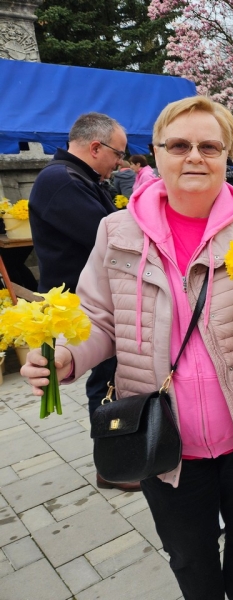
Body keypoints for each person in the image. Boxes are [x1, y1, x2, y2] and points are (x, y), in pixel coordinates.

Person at [21, 96, 233, 600]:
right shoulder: (117, 232)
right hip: (165, 444)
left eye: (209, 146)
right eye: (179, 145)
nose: (194, 157)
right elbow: (99, 319)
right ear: (155, 152)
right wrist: (67, 356)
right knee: (190, 560)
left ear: (226, 155)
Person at [28, 112, 128, 487]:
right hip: (80, 304)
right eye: (118, 153)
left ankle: (118, 456)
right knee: (104, 382)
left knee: (110, 378)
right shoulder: (61, 180)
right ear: (96, 147)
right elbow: (108, 237)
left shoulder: (79, 178)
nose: (120, 162)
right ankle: (111, 466)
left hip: (89, 298)